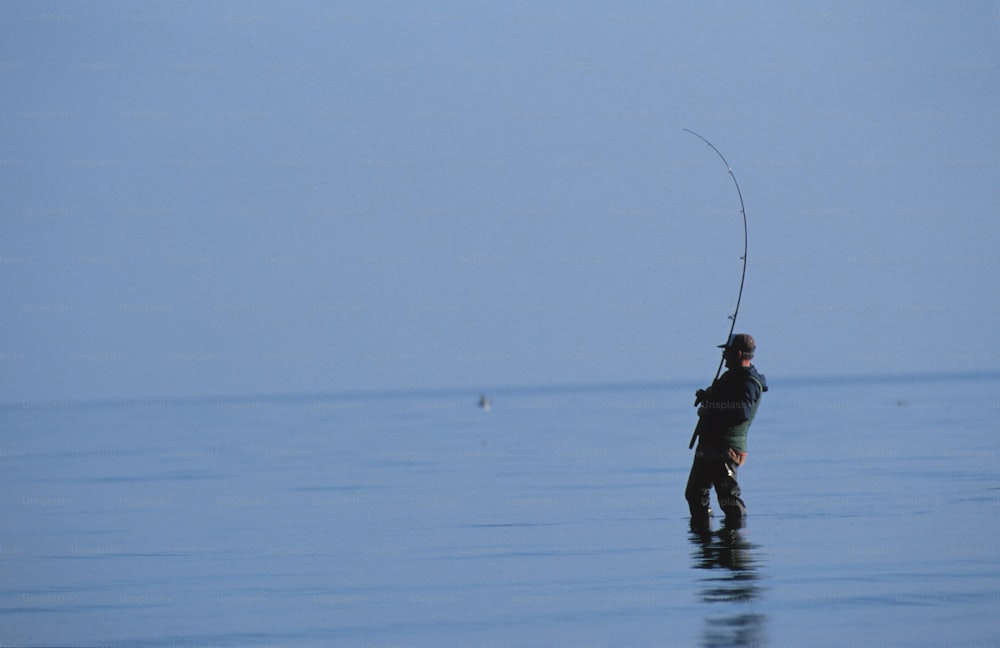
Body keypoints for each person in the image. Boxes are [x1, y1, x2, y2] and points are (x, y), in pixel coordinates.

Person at [685, 333, 768, 525]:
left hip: (725, 449)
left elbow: (742, 412)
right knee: (694, 494)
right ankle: (705, 543)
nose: (724, 356)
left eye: (727, 352)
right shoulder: (731, 377)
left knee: (729, 499)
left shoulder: (748, 383)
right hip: (709, 446)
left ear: (738, 353)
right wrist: (708, 397)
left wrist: (713, 408)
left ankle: (735, 546)